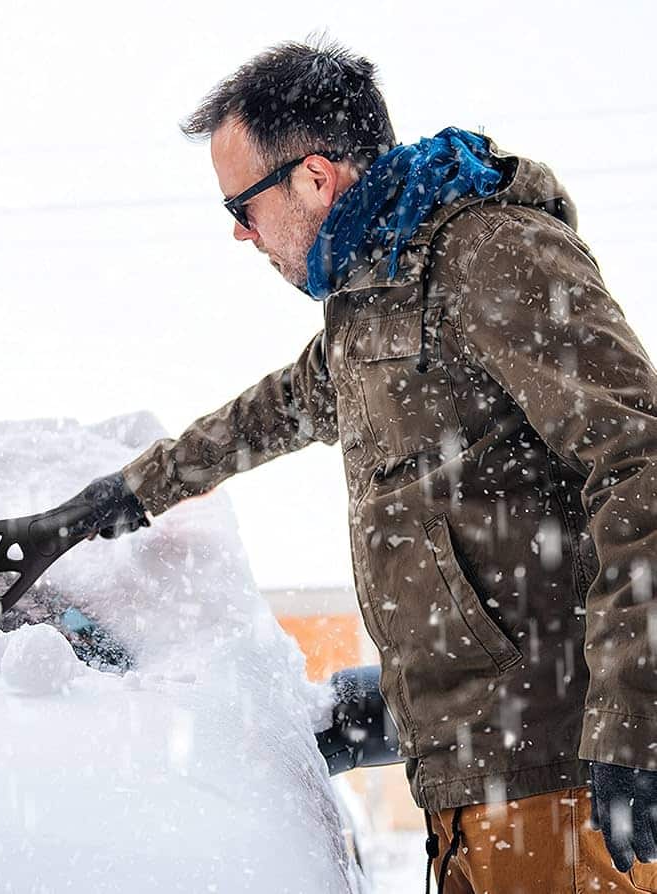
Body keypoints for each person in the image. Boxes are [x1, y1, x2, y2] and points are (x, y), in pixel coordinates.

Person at [32, 40, 657, 892]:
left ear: (316, 179)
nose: (239, 233)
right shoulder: (372, 305)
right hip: (469, 791)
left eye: (243, 207)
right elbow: (270, 412)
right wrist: (119, 497)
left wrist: (636, 720)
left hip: (560, 780)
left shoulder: (489, 255)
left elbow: (639, 461)